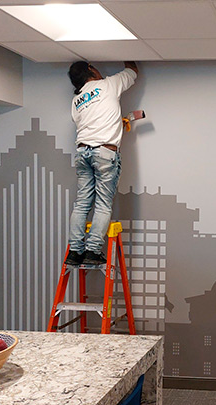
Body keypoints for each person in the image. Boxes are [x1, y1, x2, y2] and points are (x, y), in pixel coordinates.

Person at [65, 61, 138, 265]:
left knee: (82, 203)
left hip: (82, 152)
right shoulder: (108, 84)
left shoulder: (76, 100)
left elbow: (90, 122)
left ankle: (75, 251)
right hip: (105, 152)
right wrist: (128, 55)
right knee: (103, 204)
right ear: (90, 69)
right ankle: (92, 250)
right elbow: (132, 72)